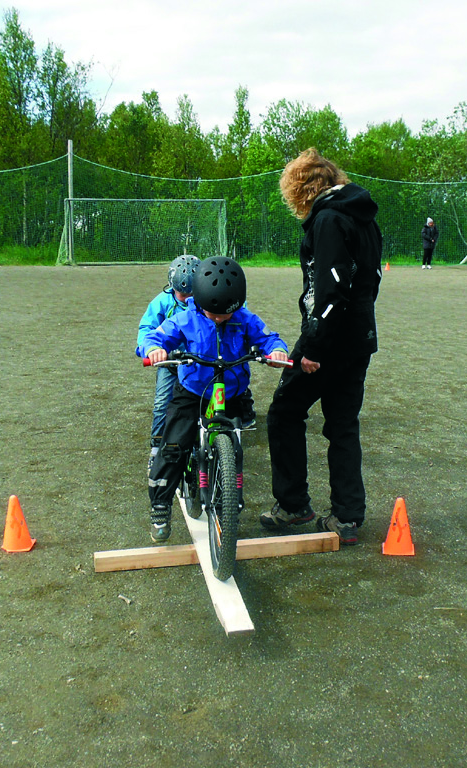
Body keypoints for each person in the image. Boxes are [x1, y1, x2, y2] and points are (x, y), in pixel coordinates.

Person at [261, 148, 382, 545]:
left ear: (301, 188)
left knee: (283, 412)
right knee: (343, 425)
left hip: (329, 339)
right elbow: (370, 281)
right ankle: (347, 517)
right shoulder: (363, 218)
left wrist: (312, 347)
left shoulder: (329, 219)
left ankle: (294, 504)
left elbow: (330, 293)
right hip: (360, 337)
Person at [142, 256, 289, 543]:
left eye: (226, 315)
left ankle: (228, 493)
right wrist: (154, 349)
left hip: (229, 390)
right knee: (173, 444)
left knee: (234, 443)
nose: (220, 319)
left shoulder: (244, 318)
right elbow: (157, 336)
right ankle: (160, 504)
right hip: (194, 391)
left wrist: (276, 351)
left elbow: (268, 338)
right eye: (213, 314)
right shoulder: (185, 317)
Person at [136, 255, 201, 473]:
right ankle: (156, 448)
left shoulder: (208, 300)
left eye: (192, 294)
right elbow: (146, 329)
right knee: (162, 403)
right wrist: (151, 349)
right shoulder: (162, 302)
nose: (186, 299)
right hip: (170, 362)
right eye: (182, 295)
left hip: (199, 362)